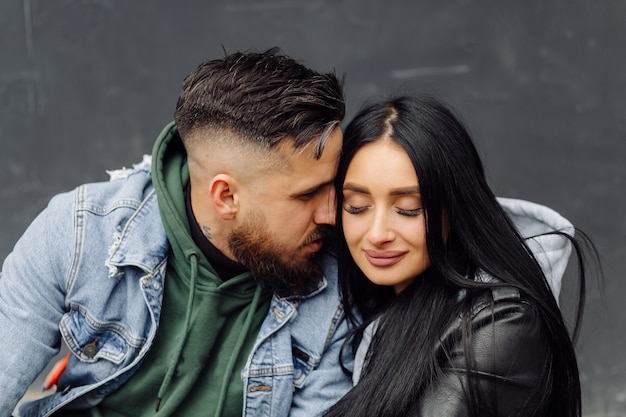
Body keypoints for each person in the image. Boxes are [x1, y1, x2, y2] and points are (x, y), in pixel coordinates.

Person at [0, 48, 354, 417]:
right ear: (227, 196)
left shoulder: (339, 285)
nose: (333, 213)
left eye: (336, 185)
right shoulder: (80, 231)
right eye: (308, 194)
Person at [323, 95, 598, 417]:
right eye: (357, 206)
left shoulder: (501, 325)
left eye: (409, 209)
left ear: (454, 208)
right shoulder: (358, 303)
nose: (376, 233)